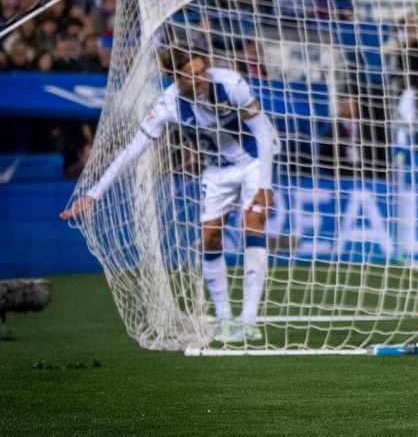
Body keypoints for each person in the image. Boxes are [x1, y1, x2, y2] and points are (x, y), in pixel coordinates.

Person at [60, 48, 279, 344]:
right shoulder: (168, 105)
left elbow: (264, 132)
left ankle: (249, 320)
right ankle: (225, 317)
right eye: (193, 75)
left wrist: (264, 185)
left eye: (203, 70)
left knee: (254, 222)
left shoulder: (230, 84)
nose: (202, 78)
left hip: (253, 161)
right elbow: (132, 151)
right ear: (175, 79)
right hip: (216, 169)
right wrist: (94, 194)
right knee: (210, 237)